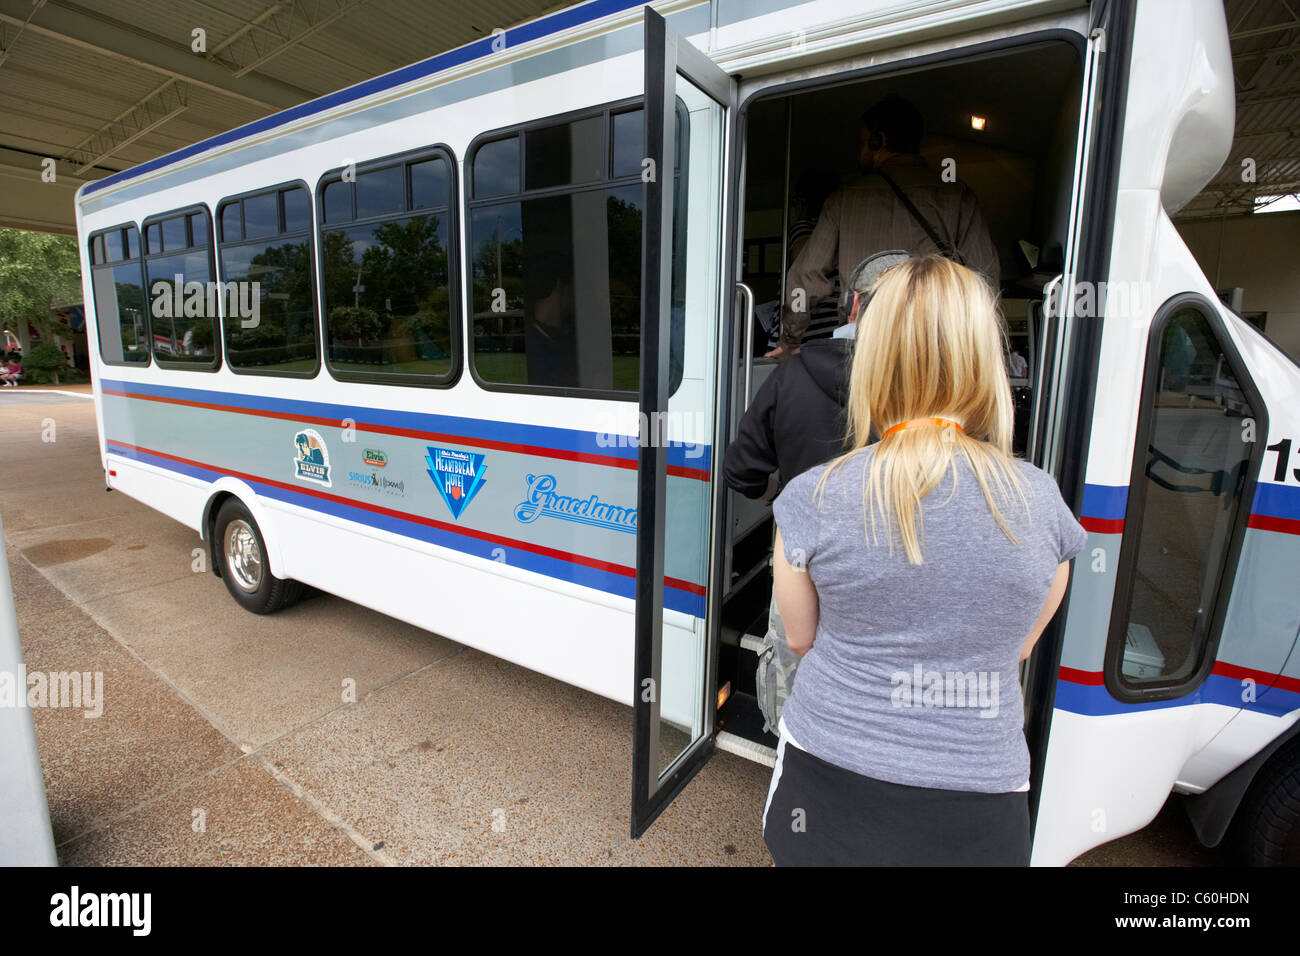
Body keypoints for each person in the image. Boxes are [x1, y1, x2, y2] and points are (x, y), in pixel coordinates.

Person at [762, 255, 1087, 866]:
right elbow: (1018, 645)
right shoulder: (1042, 502)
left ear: (873, 357)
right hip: (980, 800)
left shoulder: (812, 496)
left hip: (829, 782)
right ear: (983, 358)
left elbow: (800, 639)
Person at [770, 94, 1000, 358]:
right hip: (934, 347)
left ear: (877, 140)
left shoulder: (844, 199)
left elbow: (805, 279)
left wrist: (790, 339)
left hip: (865, 348)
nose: (859, 152)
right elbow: (985, 280)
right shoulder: (958, 196)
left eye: (862, 143)